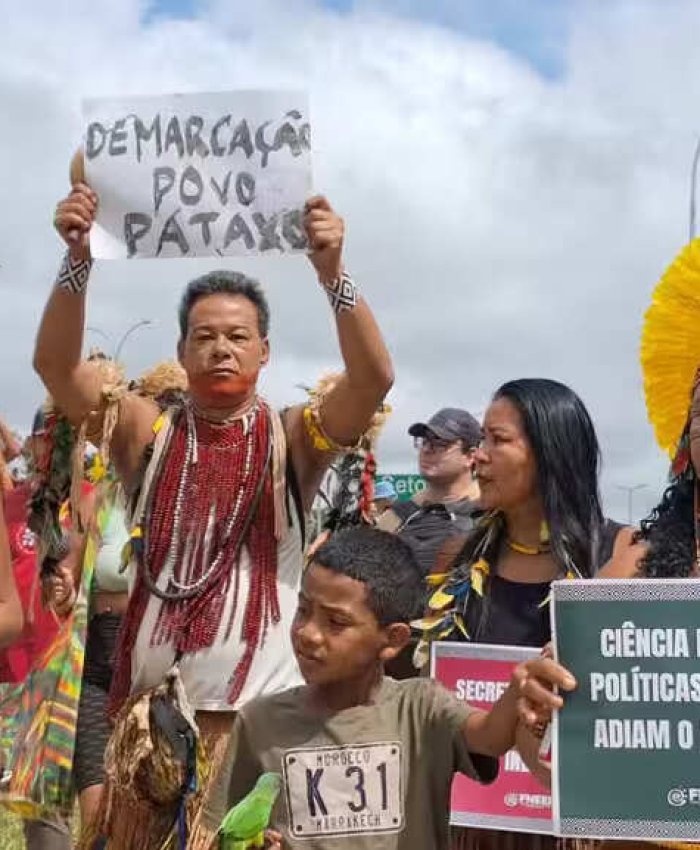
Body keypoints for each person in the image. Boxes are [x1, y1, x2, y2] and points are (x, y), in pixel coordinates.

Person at [34, 171, 393, 847]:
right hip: (151, 726)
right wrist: (77, 259)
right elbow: (55, 367)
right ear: (180, 351)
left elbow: (373, 379)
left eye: (236, 335)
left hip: (259, 722)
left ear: (264, 351)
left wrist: (334, 275)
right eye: (203, 336)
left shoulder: (295, 439)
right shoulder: (146, 433)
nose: (220, 347)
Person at [196, 526, 569, 850]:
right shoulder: (260, 722)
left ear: (392, 640)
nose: (308, 634)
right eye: (303, 610)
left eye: (336, 622)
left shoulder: (421, 708)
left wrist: (522, 687)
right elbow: (223, 833)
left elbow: (490, 737)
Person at [415, 378, 633, 850]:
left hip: (580, 826)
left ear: (550, 452)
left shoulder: (624, 554)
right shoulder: (456, 558)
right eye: (480, 441)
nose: (479, 456)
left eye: (499, 440)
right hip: (474, 827)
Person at [378, 407, 482, 576]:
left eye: (440, 443)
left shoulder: (493, 514)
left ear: (470, 456)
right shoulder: (396, 518)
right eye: (424, 441)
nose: (426, 449)